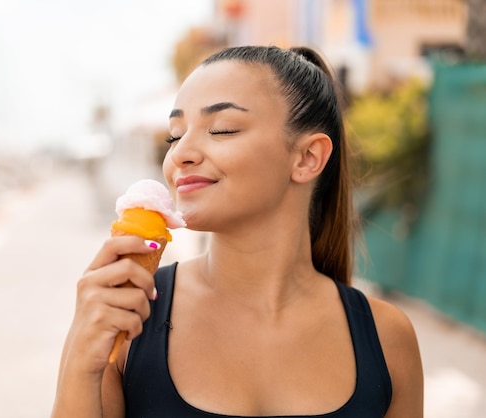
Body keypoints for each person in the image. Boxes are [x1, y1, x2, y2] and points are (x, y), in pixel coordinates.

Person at [51, 45, 424, 418]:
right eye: (175, 135)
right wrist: (82, 362)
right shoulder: (125, 316)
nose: (180, 154)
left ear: (308, 158)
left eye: (221, 129)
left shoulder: (388, 339)